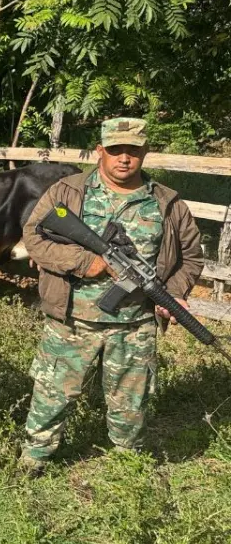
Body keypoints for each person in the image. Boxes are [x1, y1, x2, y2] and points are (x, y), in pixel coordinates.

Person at [17, 117, 203, 475]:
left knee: (130, 401)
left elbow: (191, 257)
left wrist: (175, 293)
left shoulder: (166, 202)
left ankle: (127, 461)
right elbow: (34, 237)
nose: (124, 159)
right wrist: (85, 261)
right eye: (115, 150)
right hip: (71, 319)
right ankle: (35, 456)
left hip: (135, 325)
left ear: (144, 153)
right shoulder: (67, 191)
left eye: (132, 151)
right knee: (54, 391)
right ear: (100, 150)